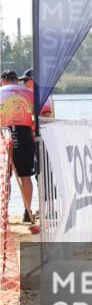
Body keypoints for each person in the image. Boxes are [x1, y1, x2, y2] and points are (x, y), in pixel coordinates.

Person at [0, 70, 36, 223]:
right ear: (16, 80)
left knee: (5, 177)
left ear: (3, 81)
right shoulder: (29, 92)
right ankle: (27, 211)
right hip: (24, 134)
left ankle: (4, 213)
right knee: (25, 176)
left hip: (4, 134)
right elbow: (36, 116)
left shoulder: (1, 91)